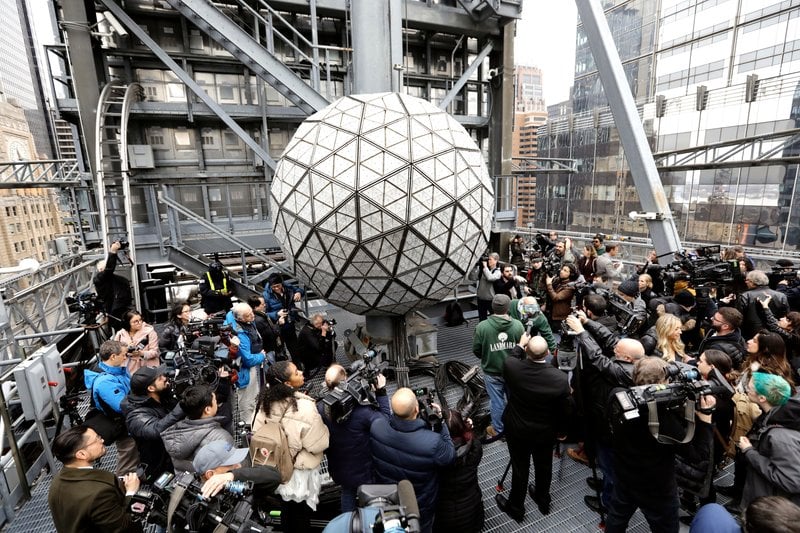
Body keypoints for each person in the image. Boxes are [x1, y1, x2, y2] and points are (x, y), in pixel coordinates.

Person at [604, 357, 716, 533]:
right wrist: (705, 420)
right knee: (666, 528)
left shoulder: (617, 395)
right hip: (657, 487)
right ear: (662, 384)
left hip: (624, 475)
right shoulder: (664, 420)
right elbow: (697, 455)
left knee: (617, 517)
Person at [565, 313, 645, 513]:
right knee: (606, 463)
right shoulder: (632, 360)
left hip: (614, 433)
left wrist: (582, 333)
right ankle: (606, 484)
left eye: (617, 350)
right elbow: (611, 340)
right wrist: (587, 322)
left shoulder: (626, 373)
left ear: (626, 358)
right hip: (606, 421)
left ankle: (609, 503)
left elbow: (598, 358)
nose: (613, 349)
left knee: (611, 468)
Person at [495, 334, 570, 521]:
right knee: (544, 465)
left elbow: (512, 357)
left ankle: (516, 507)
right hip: (545, 432)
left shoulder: (513, 368)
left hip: (518, 430)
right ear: (548, 353)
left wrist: (520, 344)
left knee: (520, 468)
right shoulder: (560, 379)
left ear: (527, 351)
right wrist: (561, 431)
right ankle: (543, 499)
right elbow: (564, 408)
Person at [252, 361, 329, 533]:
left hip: (274, 468)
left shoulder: (264, 402)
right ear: (287, 384)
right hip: (298, 472)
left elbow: (256, 431)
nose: (301, 372)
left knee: (286, 510)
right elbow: (318, 444)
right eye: (296, 372)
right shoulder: (305, 407)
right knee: (301, 513)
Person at [369, 387, 455, 533]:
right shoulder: (432, 442)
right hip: (419, 505)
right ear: (416, 409)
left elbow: (385, 420)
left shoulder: (376, 427)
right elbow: (450, 456)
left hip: (388, 499)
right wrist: (441, 423)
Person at [318, 364, 390, 512]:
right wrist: (381, 392)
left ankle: (347, 522)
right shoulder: (362, 411)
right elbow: (384, 422)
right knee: (371, 498)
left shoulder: (320, 408)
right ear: (345, 382)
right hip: (365, 469)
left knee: (347, 492)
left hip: (339, 468)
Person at [47, 426, 142, 533]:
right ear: (82, 454)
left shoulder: (57, 482)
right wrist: (131, 493)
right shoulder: (99, 493)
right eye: (96, 439)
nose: (102, 440)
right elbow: (123, 527)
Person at [738, 372, 800, 511]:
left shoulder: (780, 437)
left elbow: (791, 481)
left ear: (762, 398)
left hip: (770, 506)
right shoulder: (780, 415)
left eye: (750, 388)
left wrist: (749, 452)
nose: (747, 389)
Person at [471, 293, 524, 439]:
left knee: (497, 401)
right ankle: (517, 426)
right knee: (514, 400)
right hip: (513, 371)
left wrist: (487, 356)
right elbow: (523, 348)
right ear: (508, 308)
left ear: (492, 307)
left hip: (492, 372)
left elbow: (476, 349)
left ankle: (499, 430)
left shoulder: (482, 327)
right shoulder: (518, 325)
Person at [83, 340, 138, 475]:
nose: (126, 357)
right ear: (113, 356)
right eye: (124, 355)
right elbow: (121, 406)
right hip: (123, 425)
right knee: (128, 456)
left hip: (128, 421)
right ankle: (125, 489)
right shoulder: (105, 381)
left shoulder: (117, 371)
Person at [121, 365, 185, 481]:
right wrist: (182, 406)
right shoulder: (135, 415)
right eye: (159, 378)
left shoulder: (162, 396)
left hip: (176, 454)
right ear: (151, 388)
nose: (164, 378)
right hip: (160, 466)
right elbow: (155, 430)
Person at [160, 384, 233, 473]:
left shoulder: (174, 433)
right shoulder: (222, 438)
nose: (217, 403)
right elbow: (231, 469)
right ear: (207, 410)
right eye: (215, 401)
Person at [433, 411, 484, 532]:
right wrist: (469, 429)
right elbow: (472, 440)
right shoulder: (475, 447)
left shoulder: (437, 456)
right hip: (472, 512)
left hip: (445, 516)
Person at [193, 440, 281, 501]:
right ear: (210, 474)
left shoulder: (235, 477)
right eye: (230, 464)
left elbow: (275, 476)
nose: (238, 465)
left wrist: (232, 475)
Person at [224, 302, 266, 426]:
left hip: (252, 363)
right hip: (245, 370)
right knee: (247, 400)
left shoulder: (236, 316)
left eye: (251, 312)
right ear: (239, 318)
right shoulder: (239, 334)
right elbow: (247, 360)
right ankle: (248, 426)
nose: (253, 316)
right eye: (248, 316)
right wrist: (261, 356)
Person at [730, 270, 789, 340]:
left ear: (753, 282)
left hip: (751, 336)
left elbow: (738, 318)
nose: (745, 282)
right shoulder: (781, 296)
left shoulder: (745, 296)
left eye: (747, 280)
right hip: (776, 336)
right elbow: (786, 316)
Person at [93, 240, 133, 332]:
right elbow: (109, 269)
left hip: (121, 307)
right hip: (115, 310)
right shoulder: (100, 278)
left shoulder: (112, 278)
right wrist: (113, 251)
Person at [262, 273, 304, 356]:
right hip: (278, 327)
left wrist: (299, 292)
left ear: (282, 283)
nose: (276, 288)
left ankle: (297, 365)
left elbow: (299, 290)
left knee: (294, 348)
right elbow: (265, 314)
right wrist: (277, 314)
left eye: (278, 286)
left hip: (289, 323)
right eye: (273, 287)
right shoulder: (266, 295)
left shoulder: (287, 287)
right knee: (280, 351)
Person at [758, 294, 800, 372]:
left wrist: (766, 307)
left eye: (787, 319)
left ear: (792, 327)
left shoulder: (792, 338)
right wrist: (765, 306)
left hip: (788, 368)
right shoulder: (790, 334)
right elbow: (774, 322)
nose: (781, 319)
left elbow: (774, 326)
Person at [113, 310, 160, 375]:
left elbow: (155, 352)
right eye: (135, 321)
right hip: (127, 368)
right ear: (128, 323)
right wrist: (126, 349)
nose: (139, 323)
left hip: (146, 368)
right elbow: (115, 351)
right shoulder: (120, 334)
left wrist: (141, 353)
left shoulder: (150, 332)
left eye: (140, 320)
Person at [247, 295, 284, 361]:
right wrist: (279, 324)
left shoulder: (260, 316)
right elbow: (271, 335)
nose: (265, 305)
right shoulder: (259, 320)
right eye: (262, 304)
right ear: (255, 307)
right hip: (269, 350)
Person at [545, 263, 578, 332]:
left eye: (565, 271)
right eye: (562, 269)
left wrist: (549, 284)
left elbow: (556, 298)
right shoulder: (558, 280)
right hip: (551, 311)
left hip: (559, 316)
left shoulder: (570, 287)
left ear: (571, 274)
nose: (561, 271)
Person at [468, 252, 501, 321]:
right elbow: (472, 278)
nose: (488, 261)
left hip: (491, 300)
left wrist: (485, 267)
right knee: (482, 319)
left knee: (495, 318)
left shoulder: (497, 272)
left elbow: (490, 278)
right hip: (481, 299)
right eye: (488, 259)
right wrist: (474, 266)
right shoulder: (483, 270)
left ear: (496, 261)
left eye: (490, 259)